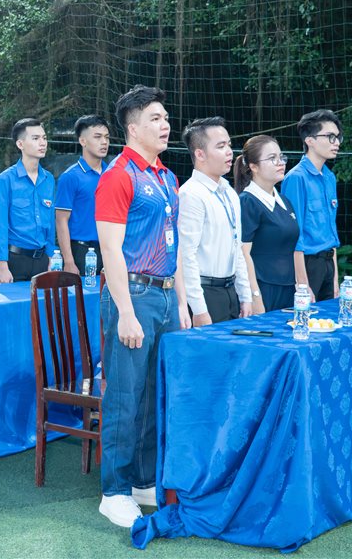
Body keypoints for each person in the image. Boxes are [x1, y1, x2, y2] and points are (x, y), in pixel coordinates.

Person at [95, 85, 189, 528]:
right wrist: (127, 312)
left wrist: (182, 303)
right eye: (155, 118)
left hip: (166, 295)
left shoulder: (168, 178)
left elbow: (175, 246)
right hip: (132, 295)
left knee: (155, 393)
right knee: (124, 394)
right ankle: (113, 490)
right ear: (133, 128)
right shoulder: (119, 175)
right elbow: (110, 250)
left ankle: (143, 480)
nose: (165, 124)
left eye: (165, 117)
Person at [177, 117, 253, 324]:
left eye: (229, 144)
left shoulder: (230, 193)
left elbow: (237, 248)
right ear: (200, 154)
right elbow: (186, 256)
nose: (229, 152)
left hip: (231, 292)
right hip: (205, 294)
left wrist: (245, 296)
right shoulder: (190, 194)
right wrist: (199, 309)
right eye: (220, 146)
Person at [281, 109, 342, 303]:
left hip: (328, 264)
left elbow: (332, 232)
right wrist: (302, 283)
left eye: (338, 137)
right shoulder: (296, 178)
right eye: (330, 137)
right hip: (308, 265)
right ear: (310, 140)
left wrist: (335, 278)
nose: (336, 143)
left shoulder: (329, 177)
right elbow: (294, 235)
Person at [233, 135, 298, 312]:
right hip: (263, 290)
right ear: (253, 166)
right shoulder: (247, 201)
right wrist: (255, 296)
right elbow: (243, 253)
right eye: (272, 158)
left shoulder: (284, 201)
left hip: (289, 291)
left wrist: (300, 286)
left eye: (281, 157)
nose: (280, 163)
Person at [0, 118, 56, 283]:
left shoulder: (48, 179)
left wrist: (51, 257)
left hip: (42, 260)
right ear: (20, 144)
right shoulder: (4, 181)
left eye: (44, 138)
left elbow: (50, 222)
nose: (42, 143)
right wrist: (2, 267)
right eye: (35, 138)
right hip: (13, 260)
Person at [55, 115, 110, 276]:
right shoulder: (70, 177)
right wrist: (69, 261)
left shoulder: (112, 174)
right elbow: (61, 221)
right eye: (97, 137)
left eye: (107, 137)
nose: (104, 142)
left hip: (109, 251)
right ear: (83, 141)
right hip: (80, 252)